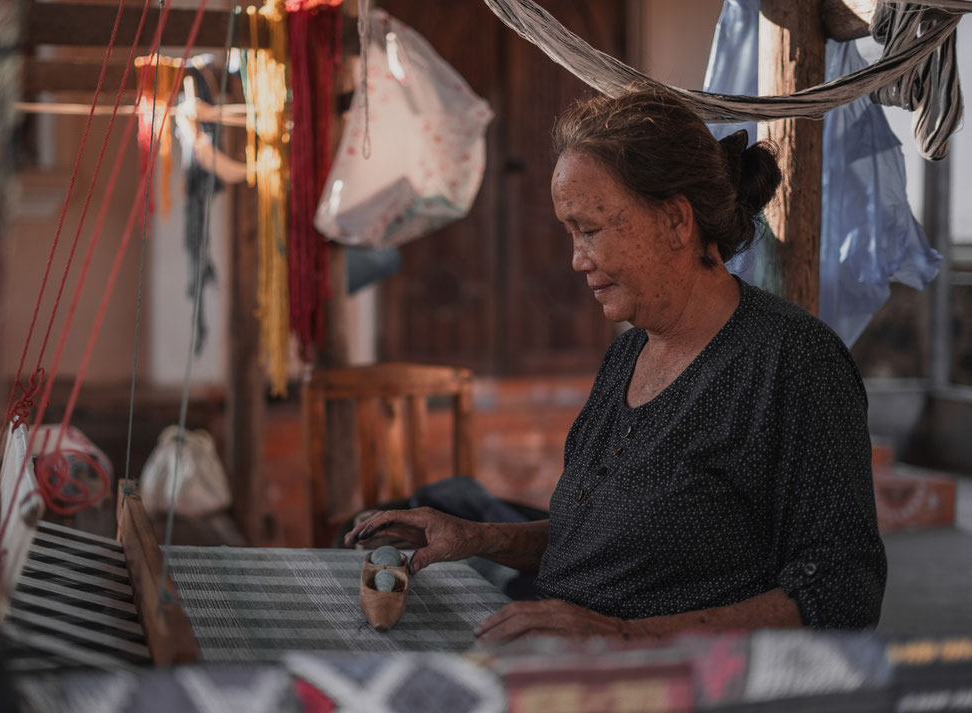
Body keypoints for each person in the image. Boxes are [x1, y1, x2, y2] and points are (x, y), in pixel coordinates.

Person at [345, 87, 887, 643]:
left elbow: (843, 589)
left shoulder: (792, 363)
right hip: (565, 667)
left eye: (592, 230)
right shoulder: (630, 353)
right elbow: (601, 543)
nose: (577, 260)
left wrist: (621, 635)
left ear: (676, 221)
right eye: (570, 232)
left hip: (675, 688)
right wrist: (477, 537)